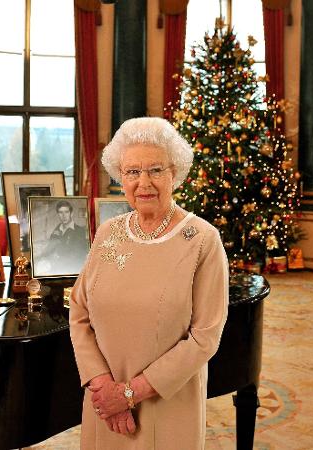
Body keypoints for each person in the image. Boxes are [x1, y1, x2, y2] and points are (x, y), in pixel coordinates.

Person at [69, 117, 229, 450]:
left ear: (175, 174)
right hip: (103, 404)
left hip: (167, 406)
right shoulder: (108, 232)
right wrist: (103, 388)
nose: (144, 183)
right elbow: (79, 312)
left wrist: (129, 394)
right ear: (120, 177)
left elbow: (205, 337)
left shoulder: (202, 240)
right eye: (132, 172)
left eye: (156, 170)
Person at [40, 200, 89, 275]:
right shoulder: (57, 229)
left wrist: (55, 260)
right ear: (58, 214)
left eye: (66, 212)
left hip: (72, 270)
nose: (64, 215)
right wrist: (43, 257)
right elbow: (50, 246)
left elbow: (78, 254)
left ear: (71, 213)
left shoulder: (80, 231)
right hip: (55, 269)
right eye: (60, 212)